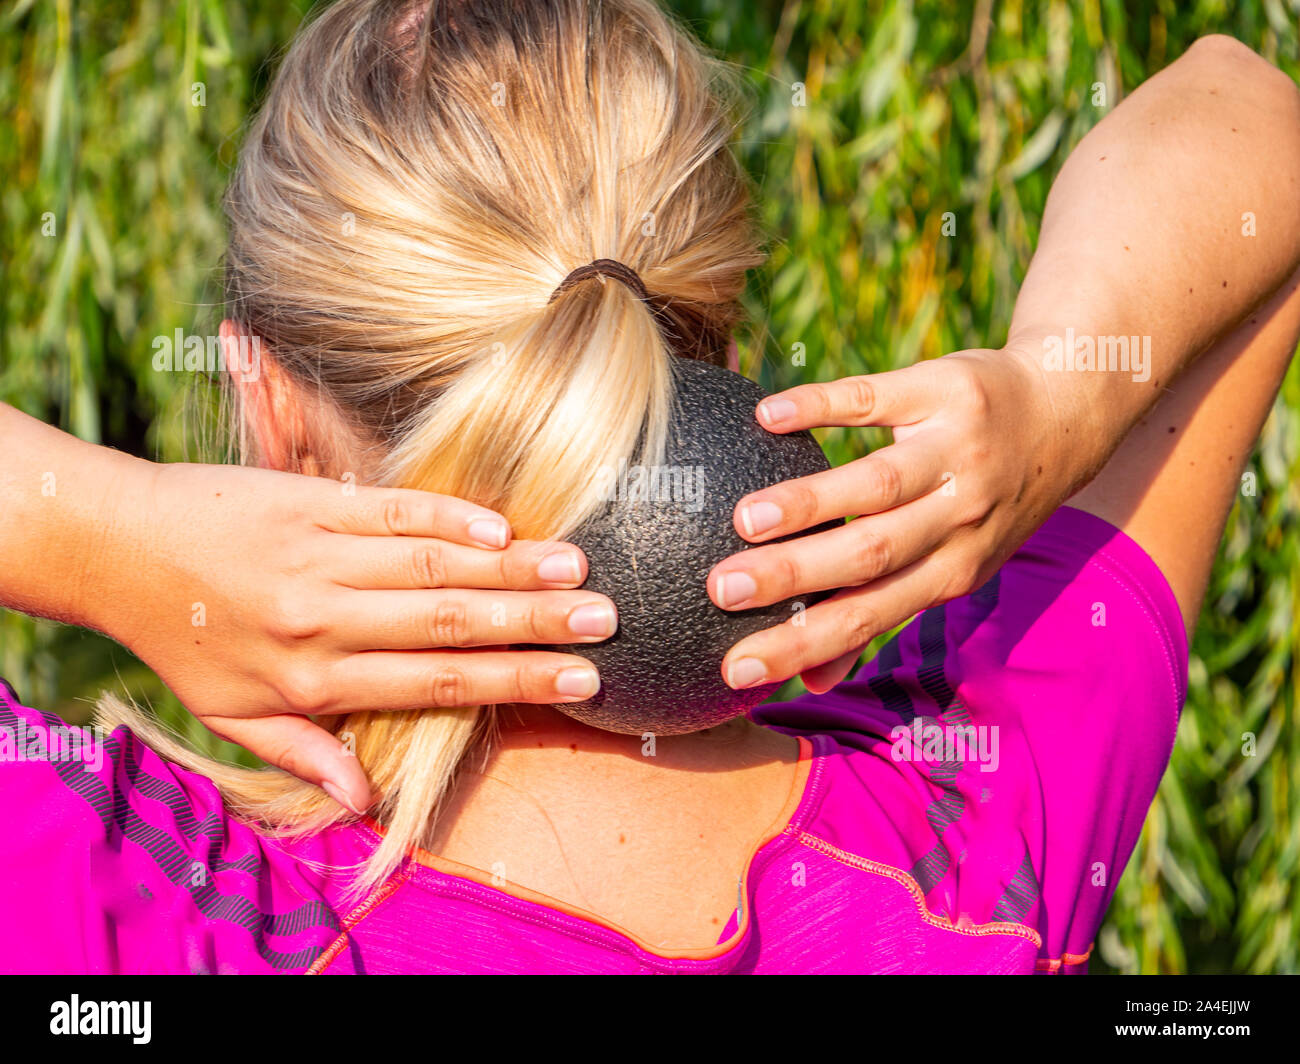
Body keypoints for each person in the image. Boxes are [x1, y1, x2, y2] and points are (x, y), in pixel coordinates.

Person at [1, 0, 1298, 973]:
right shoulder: (971, 833)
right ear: (716, 350)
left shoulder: (148, 899)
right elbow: (1250, 115)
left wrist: (113, 541)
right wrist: (1058, 395)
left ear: (266, 407)